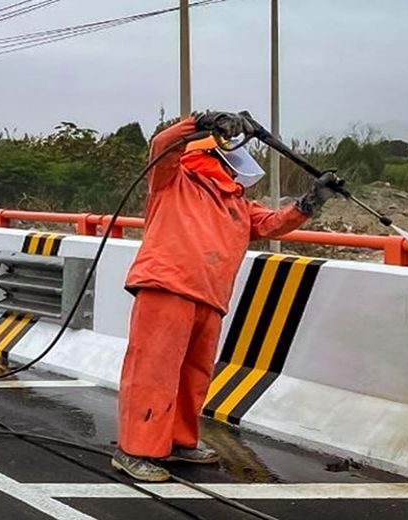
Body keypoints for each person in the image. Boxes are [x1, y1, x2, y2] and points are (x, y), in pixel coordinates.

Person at [112, 112, 340, 481]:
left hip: (210, 298)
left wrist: (310, 202)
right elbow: (162, 145)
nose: (238, 170)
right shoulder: (174, 180)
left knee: (194, 374)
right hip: (167, 287)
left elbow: (271, 224)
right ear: (214, 154)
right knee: (153, 372)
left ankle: (178, 441)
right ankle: (136, 450)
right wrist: (203, 120)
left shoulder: (237, 204)